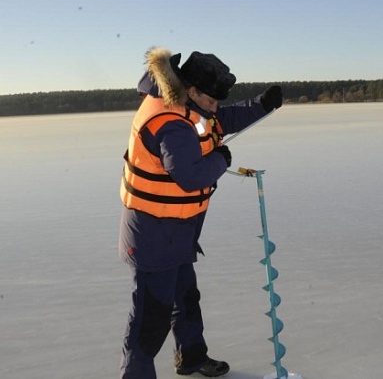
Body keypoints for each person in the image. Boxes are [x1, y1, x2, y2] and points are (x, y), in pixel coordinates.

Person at [118, 46, 283, 378]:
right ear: (191, 90)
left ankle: (191, 357)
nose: (214, 107)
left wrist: (262, 104)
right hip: (153, 236)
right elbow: (190, 175)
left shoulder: (189, 106)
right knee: (151, 319)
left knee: (185, 299)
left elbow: (223, 118)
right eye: (210, 101)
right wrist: (221, 159)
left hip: (176, 232)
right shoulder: (169, 121)